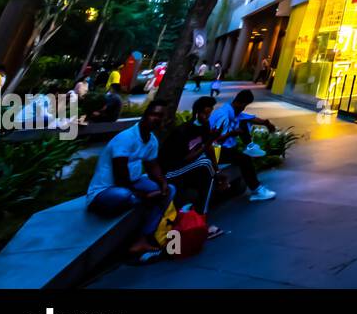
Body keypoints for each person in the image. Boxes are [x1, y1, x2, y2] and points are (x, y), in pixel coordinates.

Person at [86, 100, 174, 259]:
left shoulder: (151, 140)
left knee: (169, 190)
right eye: (153, 114)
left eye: (160, 116)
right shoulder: (126, 138)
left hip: (132, 183)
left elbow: (152, 167)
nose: (156, 119)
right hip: (105, 190)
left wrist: (162, 183)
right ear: (145, 116)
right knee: (125, 195)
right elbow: (120, 177)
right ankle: (139, 206)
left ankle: (143, 238)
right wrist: (144, 195)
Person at [159, 97, 228, 239]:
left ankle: (200, 218)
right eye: (204, 114)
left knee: (207, 169)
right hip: (171, 171)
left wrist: (217, 170)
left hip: (187, 168)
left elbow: (208, 150)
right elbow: (185, 159)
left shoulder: (205, 126)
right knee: (205, 163)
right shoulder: (183, 131)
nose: (206, 117)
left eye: (209, 114)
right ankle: (203, 220)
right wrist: (208, 142)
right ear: (197, 112)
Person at [208, 89, 277, 202]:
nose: (244, 108)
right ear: (240, 103)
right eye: (244, 106)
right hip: (214, 151)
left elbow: (250, 118)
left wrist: (267, 123)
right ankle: (257, 190)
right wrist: (232, 133)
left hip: (225, 148)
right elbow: (215, 140)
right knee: (244, 159)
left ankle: (250, 146)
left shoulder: (234, 111)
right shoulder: (223, 116)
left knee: (243, 121)